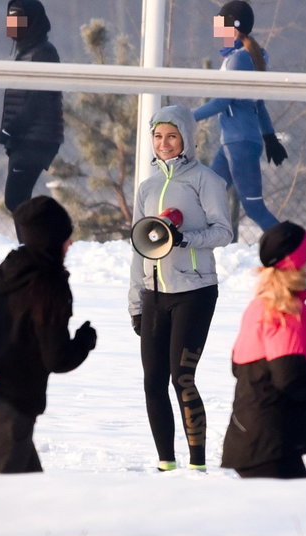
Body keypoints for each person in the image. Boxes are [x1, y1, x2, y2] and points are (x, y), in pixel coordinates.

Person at [0, 196, 96, 474]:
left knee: (31, 507)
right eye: (66, 237)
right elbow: (57, 359)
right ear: (51, 240)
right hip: (6, 418)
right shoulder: (49, 287)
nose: (71, 243)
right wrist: (84, 342)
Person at [128, 105, 232, 472]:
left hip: (195, 292)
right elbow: (139, 248)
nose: (164, 143)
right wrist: (135, 303)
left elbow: (223, 231)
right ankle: (165, 463)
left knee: (181, 377)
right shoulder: (147, 186)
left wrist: (185, 239)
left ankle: (197, 465)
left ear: (186, 138)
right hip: (154, 295)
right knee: (152, 381)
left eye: (172, 136)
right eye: (158, 136)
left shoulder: (206, 180)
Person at [221, 221, 306, 479]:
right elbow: (290, 380)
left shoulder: (259, 306)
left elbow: (240, 366)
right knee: (293, 516)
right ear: (297, 264)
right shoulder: (284, 312)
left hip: (253, 440)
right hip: (270, 444)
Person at [193, 0, 288, 234]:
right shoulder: (242, 56)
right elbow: (259, 105)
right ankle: (186, 247)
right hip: (234, 142)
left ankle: (305, 257)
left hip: (240, 144)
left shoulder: (239, 59)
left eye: (220, 24)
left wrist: (187, 116)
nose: (217, 30)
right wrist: (269, 138)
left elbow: (225, 100)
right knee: (204, 195)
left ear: (233, 26)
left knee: (254, 207)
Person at [0, 0, 64, 220]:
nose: (13, 23)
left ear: (33, 21)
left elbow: (40, 99)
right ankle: (35, 249)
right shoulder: (26, 52)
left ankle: (41, 246)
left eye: (19, 18)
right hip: (26, 138)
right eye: (11, 17)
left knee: (16, 200)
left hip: (36, 139)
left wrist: (11, 129)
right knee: (18, 201)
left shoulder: (43, 52)